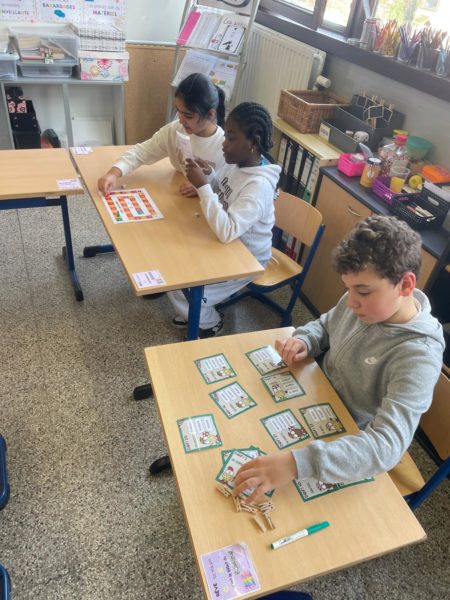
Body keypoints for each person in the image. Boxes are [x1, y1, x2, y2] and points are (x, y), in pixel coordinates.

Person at [233, 215, 444, 502]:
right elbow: (327, 325)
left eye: (363, 291)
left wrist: (298, 464)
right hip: (314, 394)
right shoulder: (359, 301)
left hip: (348, 435)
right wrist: (306, 340)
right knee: (244, 429)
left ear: (406, 285)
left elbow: (387, 446)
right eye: (348, 288)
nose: (351, 301)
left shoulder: (419, 355)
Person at [168, 101, 281, 338]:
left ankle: (211, 322)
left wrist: (202, 187)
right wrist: (209, 176)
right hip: (226, 243)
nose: (224, 144)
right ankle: (193, 311)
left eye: (231, 138)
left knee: (182, 288)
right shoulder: (238, 163)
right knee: (174, 268)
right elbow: (223, 189)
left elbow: (228, 231)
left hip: (247, 257)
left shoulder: (258, 186)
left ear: (253, 142)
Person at [97, 73, 226, 197]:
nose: (181, 120)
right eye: (179, 111)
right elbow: (141, 152)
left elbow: (228, 192)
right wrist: (113, 173)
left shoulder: (225, 147)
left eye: (188, 115)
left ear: (210, 114)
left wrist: (204, 188)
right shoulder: (174, 130)